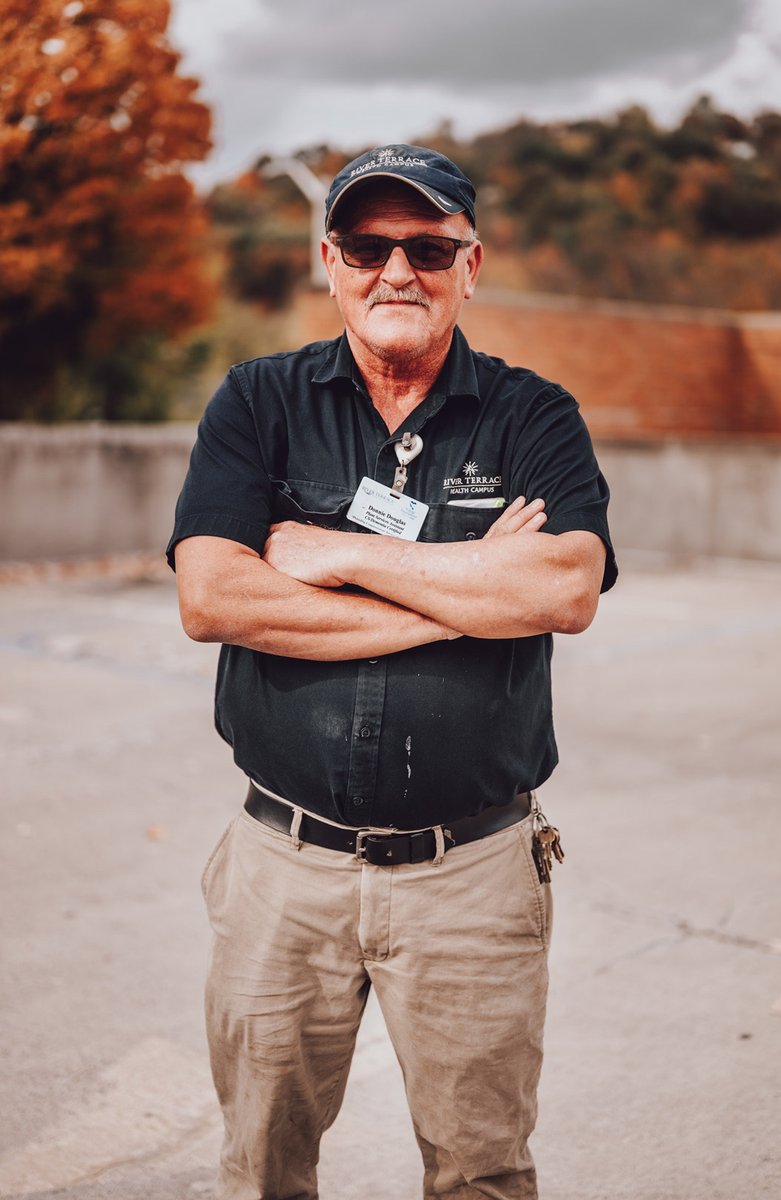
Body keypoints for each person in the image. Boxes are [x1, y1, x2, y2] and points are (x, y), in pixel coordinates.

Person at [168, 143, 617, 1200]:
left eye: (426, 245)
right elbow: (214, 599)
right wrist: (462, 591)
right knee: (261, 1169)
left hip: (472, 875)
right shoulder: (258, 402)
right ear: (330, 260)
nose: (395, 271)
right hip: (284, 869)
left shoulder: (532, 414)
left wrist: (346, 558)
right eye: (368, 245)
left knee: (482, 1176)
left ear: (470, 265)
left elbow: (563, 590)